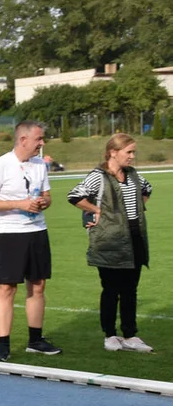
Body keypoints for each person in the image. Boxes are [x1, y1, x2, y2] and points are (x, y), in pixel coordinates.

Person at [0, 121, 62, 362]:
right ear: (23, 139)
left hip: (37, 231)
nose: (42, 143)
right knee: (7, 288)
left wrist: (43, 202)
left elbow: (47, 196)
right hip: (10, 234)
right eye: (39, 139)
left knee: (38, 285)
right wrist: (20, 204)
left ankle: (35, 340)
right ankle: (3, 346)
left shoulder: (39, 165)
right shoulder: (0, 165)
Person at [67, 134, 154, 352]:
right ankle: (110, 335)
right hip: (109, 241)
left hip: (134, 239)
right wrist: (97, 211)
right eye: (129, 152)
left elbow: (147, 189)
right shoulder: (99, 176)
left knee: (130, 290)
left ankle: (130, 335)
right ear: (113, 152)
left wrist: (135, 211)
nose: (133, 157)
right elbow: (75, 196)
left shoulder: (133, 175)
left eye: (134, 152)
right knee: (111, 290)